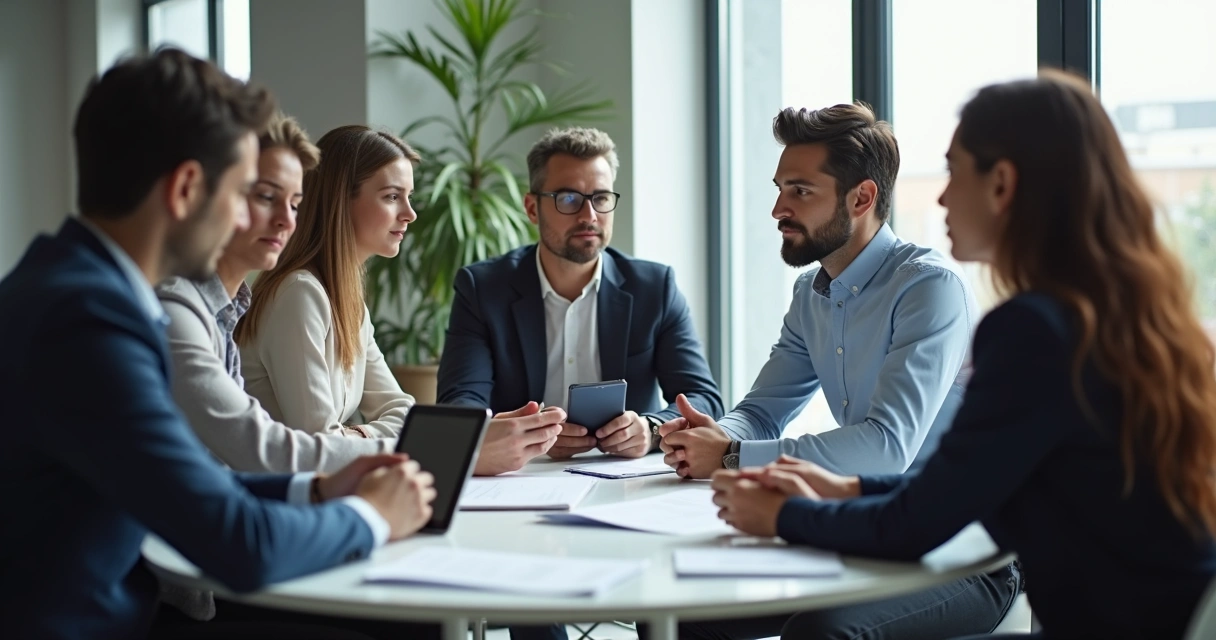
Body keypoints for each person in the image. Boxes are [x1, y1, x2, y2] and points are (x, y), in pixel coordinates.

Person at [711, 70, 1216, 640]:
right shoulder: (1109, 312)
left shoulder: (1032, 331)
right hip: (1156, 617)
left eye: (953, 170)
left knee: (813, 631)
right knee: (715, 618)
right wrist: (846, 488)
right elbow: (964, 488)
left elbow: (920, 522)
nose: (944, 195)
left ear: (1002, 183)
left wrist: (782, 515)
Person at [0, 48, 437, 640]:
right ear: (185, 189)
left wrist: (316, 488)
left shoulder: (71, 287)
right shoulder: (90, 322)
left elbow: (188, 480)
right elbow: (239, 543)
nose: (249, 221)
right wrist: (372, 517)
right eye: (241, 194)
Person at [654, 103, 1017, 638]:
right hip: (862, 527)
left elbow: (887, 448)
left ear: (862, 197)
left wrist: (730, 456)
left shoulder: (928, 288)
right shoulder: (811, 293)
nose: (778, 208)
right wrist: (714, 436)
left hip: (962, 552)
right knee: (683, 615)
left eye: (800, 191)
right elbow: (761, 411)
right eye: (779, 188)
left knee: (820, 631)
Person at [438, 127, 724, 479]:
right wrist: (531, 434)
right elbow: (459, 407)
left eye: (601, 198)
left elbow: (703, 398)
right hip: (519, 478)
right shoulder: (483, 289)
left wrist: (649, 429)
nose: (589, 215)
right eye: (569, 198)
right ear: (532, 207)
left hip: (625, 480)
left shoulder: (654, 287)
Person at [157, 113, 392, 476]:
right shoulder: (179, 315)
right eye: (266, 197)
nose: (287, 219)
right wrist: (415, 451)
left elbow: (238, 472)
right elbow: (264, 452)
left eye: (295, 203)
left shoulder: (225, 313)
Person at [236, 125, 417, 441]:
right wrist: (359, 436)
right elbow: (319, 442)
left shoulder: (349, 303)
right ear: (341, 199)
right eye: (392, 197)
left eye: (408, 197)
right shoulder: (299, 294)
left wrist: (355, 435)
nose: (410, 214)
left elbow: (404, 412)